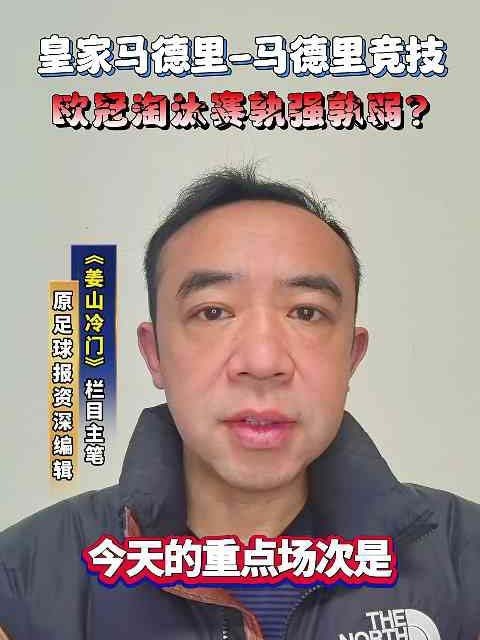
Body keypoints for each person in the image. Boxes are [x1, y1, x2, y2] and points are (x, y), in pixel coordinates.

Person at [0, 166, 479, 640]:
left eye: (306, 312)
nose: (263, 361)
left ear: (350, 358)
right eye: (213, 312)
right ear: (155, 354)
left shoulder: (464, 561)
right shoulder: (23, 584)